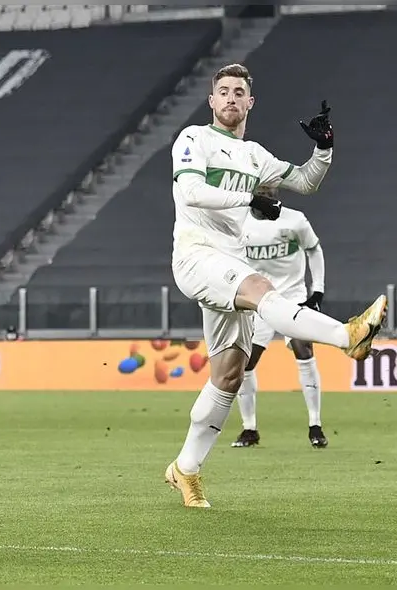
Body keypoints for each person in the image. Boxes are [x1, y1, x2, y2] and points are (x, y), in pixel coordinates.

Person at [164, 63, 387, 509]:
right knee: (263, 287)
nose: (229, 97)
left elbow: (304, 181)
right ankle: (347, 335)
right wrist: (251, 197)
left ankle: (185, 470)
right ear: (211, 101)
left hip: (228, 261)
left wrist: (323, 149)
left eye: (238, 92)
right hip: (195, 254)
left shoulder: (255, 156)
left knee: (228, 376)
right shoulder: (193, 139)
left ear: (250, 102)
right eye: (222, 91)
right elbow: (191, 193)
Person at [233, 192, 328, 449]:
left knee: (303, 348)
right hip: (258, 300)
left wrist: (317, 290)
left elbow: (314, 250)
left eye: (269, 192)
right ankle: (249, 428)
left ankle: (315, 425)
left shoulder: (294, 220)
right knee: (245, 362)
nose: (267, 197)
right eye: (261, 192)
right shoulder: (238, 222)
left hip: (292, 298)